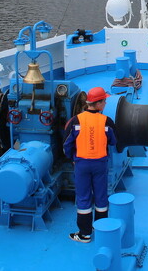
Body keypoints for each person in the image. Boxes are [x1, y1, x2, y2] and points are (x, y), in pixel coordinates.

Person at [63, 86, 118, 243]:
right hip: (100, 164)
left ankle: (85, 233)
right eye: (105, 101)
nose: (106, 104)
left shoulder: (75, 121)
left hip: (81, 164)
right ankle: (101, 228)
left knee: (83, 197)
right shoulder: (106, 121)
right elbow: (114, 141)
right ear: (99, 104)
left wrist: (72, 158)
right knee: (101, 196)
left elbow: (66, 144)